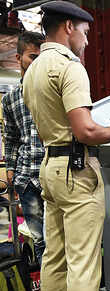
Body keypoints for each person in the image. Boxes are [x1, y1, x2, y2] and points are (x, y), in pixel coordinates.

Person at [22, 1, 110, 291]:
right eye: (85, 32)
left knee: (54, 258)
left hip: (50, 168)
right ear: (69, 27)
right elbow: (84, 130)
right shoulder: (70, 67)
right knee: (83, 264)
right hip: (76, 172)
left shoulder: (33, 70)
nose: (86, 40)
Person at [2, 31, 46, 265]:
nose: (36, 63)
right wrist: (11, 169)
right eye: (32, 57)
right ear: (18, 58)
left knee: (56, 238)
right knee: (38, 239)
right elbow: (11, 137)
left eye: (41, 58)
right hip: (26, 178)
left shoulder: (51, 89)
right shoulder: (9, 99)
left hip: (52, 175)